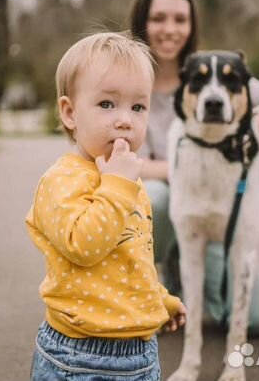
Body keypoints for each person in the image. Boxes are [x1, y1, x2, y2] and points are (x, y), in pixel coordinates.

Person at [128, 0, 259, 335]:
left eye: (180, 19)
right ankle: (145, 282)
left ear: (192, 25)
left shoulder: (212, 74)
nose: (169, 29)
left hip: (213, 204)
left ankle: (189, 280)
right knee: (154, 197)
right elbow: (115, 156)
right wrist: (175, 167)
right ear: (141, 21)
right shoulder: (126, 76)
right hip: (162, 198)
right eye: (158, 18)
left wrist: (243, 125)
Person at [26, 32, 186, 380]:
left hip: (142, 352)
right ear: (70, 113)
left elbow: (130, 258)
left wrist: (159, 300)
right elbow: (85, 246)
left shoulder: (128, 181)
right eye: (107, 104)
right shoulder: (62, 180)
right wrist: (118, 184)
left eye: (138, 107)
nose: (125, 119)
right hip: (79, 354)